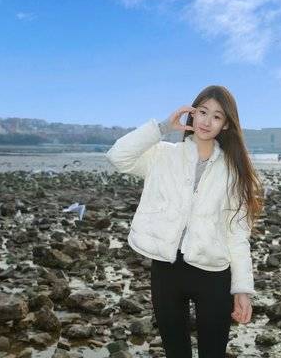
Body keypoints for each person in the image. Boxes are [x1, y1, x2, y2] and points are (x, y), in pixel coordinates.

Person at [106, 85, 264, 358]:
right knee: (175, 353)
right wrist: (163, 127)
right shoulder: (164, 155)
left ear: (226, 125)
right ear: (192, 113)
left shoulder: (233, 171)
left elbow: (237, 234)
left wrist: (242, 290)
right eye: (202, 112)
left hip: (213, 274)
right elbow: (117, 156)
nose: (207, 121)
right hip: (167, 270)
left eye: (217, 116)